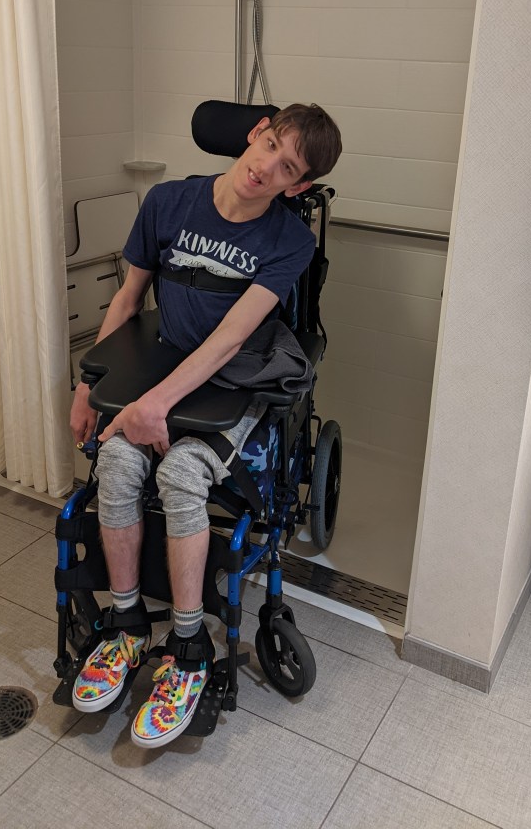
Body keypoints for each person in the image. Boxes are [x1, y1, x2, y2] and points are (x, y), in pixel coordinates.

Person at [68, 103, 342, 748]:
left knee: (184, 473)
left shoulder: (290, 241)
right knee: (117, 463)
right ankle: (128, 625)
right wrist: (90, 386)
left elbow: (229, 340)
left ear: (298, 185)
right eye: (269, 146)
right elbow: (128, 298)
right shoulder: (168, 202)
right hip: (163, 364)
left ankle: (189, 645)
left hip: (234, 377)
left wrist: (153, 405)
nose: (266, 168)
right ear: (255, 133)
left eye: (287, 168)